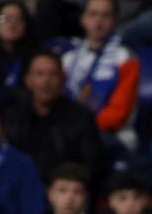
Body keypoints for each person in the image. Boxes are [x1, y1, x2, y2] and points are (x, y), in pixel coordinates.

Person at [6, 52, 106, 194]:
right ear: (28, 80)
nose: (47, 81)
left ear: (62, 79)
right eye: (40, 74)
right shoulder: (13, 117)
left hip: (66, 194)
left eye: (53, 74)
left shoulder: (81, 117)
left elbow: (91, 166)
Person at [62, 0, 140, 152]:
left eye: (106, 15)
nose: (98, 21)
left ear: (115, 22)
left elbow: (118, 114)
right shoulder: (68, 59)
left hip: (113, 137)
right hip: (70, 133)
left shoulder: (125, 58)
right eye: (93, 14)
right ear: (83, 19)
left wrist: (78, 128)